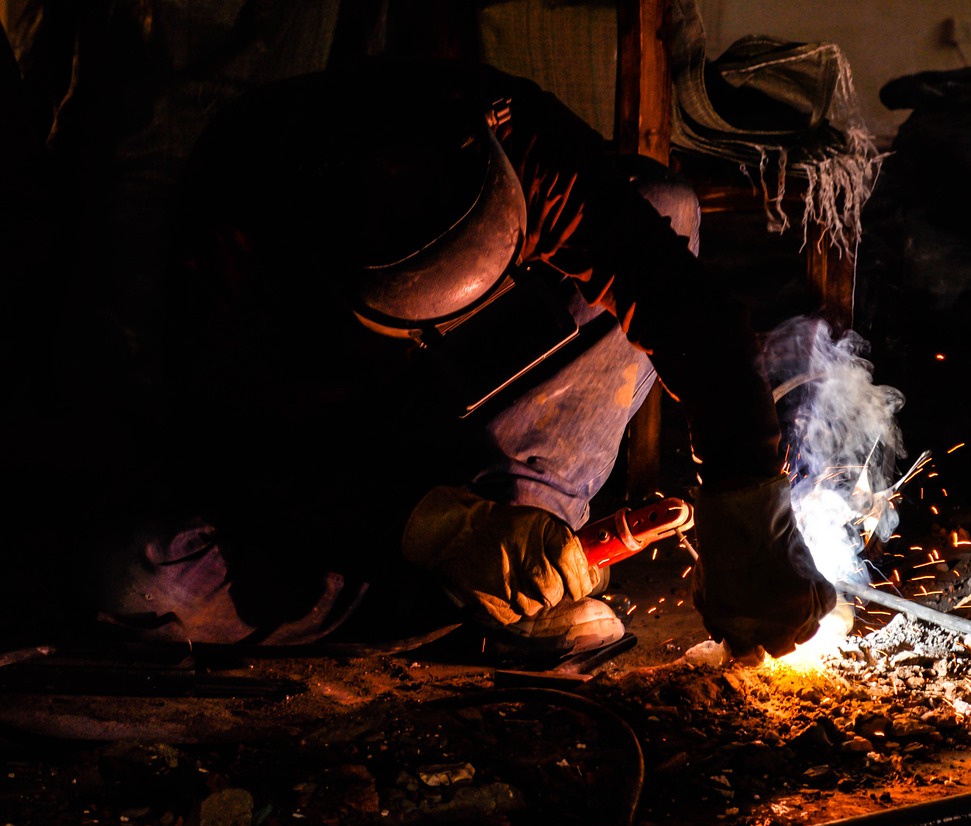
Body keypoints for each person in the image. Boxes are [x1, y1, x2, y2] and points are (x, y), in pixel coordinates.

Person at [91, 54, 836, 665]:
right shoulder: (243, 224)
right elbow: (235, 451)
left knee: (667, 205)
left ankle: (522, 540)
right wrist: (435, 528)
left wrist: (748, 492)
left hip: (492, 396)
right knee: (145, 580)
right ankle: (470, 596)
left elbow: (678, 300)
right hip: (338, 450)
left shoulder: (507, 130)